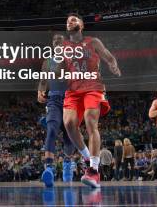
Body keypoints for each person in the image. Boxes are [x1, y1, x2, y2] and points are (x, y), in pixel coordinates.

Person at [61, 13, 121, 189]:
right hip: (72, 91)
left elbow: (109, 56)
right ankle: (88, 157)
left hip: (93, 87)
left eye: (74, 19)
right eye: (68, 20)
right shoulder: (62, 46)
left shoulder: (93, 42)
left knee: (90, 121)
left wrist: (113, 65)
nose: (70, 21)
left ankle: (94, 171)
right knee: (70, 124)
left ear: (81, 25)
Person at [37, 33, 76, 187]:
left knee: (68, 135)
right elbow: (43, 79)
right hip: (53, 100)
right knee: (52, 129)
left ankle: (67, 163)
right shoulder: (48, 61)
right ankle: (49, 168)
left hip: (69, 99)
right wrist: (40, 90)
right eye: (55, 41)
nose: (57, 43)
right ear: (53, 44)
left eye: (60, 41)